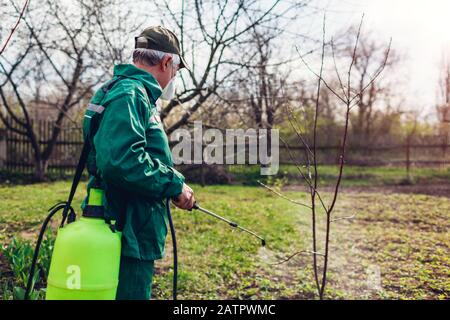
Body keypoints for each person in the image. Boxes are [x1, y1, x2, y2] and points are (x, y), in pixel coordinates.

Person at [81, 26, 195, 300]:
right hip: (126, 228)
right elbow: (121, 161)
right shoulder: (130, 95)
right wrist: (173, 185)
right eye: (177, 70)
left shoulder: (129, 93)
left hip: (129, 224)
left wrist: (172, 182)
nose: (174, 77)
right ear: (167, 62)